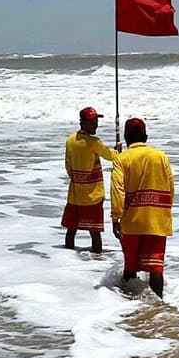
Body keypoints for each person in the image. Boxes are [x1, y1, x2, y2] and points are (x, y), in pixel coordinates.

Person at [110, 117, 174, 299]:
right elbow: (171, 188)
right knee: (156, 268)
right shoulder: (160, 156)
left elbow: (117, 190)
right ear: (145, 136)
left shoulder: (122, 159)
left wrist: (116, 218)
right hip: (158, 220)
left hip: (132, 222)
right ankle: (159, 306)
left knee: (130, 267)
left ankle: (126, 306)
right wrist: (165, 212)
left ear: (126, 137)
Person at [62, 106, 121, 253]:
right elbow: (112, 157)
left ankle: (66, 259)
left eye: (95, 121)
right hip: (93, 196)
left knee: (71, 231)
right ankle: (96, 260)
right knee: (95, 233)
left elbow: (68, 166)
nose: (95, 125)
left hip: (75, 195)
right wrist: (118, 150)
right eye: (92, 122)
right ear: (82, 123)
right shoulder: (94, 142)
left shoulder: (70, 141)